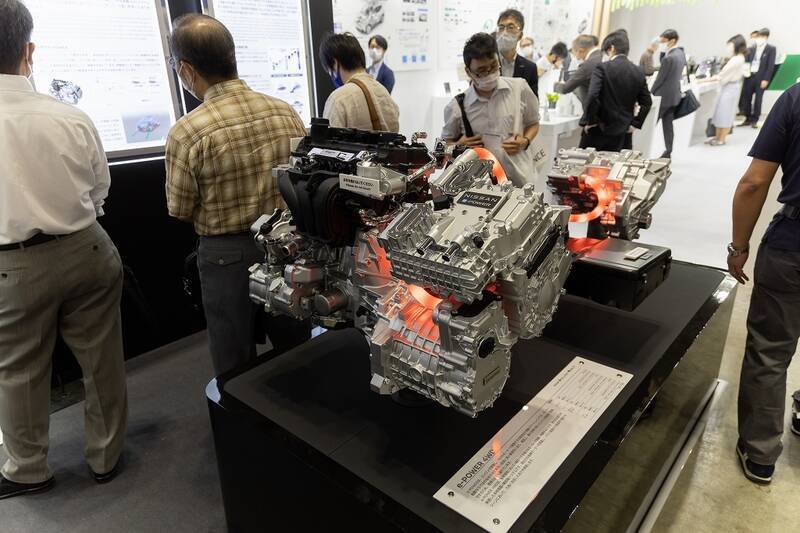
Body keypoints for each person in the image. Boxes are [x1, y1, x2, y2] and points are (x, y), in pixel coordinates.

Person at [0, 0, 127, 499]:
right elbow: (100, 190)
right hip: (87, 249)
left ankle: (27, 469)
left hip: (13, 266)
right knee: (102, 360)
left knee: (18, 371)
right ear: (29, 52)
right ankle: (106, 458)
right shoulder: (70, 115)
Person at [165, 14, 310, 376]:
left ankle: (238, 411)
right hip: (287, 244)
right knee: (297, 343)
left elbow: (179, 208)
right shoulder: (285, 111)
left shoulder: (187, 131)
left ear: (186, 69)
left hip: (224, 256)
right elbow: (303, 177)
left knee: (233, 355)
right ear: (231, 56)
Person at [727, 81, 800, 485]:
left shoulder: (795, 98)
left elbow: (754, 181)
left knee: (771, 350)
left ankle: (760, 455)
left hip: (792, 246)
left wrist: (738, 246)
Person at [441, 32, 540, 187]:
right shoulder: (457, 106)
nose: (489, 74)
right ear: (468, 72)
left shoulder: (519, 88)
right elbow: (445, 144)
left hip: (519, 179)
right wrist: (459, 145)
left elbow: (533, 122)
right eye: (481, 71)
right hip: (479, 185)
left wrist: (525, 141)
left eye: (493, 66)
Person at [579, 30, 652, 152]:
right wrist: (635, 124)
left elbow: (592, 96)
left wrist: (590, 120)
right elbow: (647, 103)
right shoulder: (638, 71)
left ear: (611, 48)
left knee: (588, 163)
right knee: (619, 163)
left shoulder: (602, 68)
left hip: (598, 130)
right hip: (623, 134)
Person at [320, 33, 399, 132]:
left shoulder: (338, 99)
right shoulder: (384, 93)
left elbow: (329, 139)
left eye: (329, 69)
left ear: (335, 63)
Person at [704, 34, 747, 146]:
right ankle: (717, 137)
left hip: (730, 88)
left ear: (736, 45)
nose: (728, 47)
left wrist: (706, 80)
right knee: (720, 113)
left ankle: (721, 139)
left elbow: (723, 75)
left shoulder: (737, 59)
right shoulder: (737, 58)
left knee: (725, 114)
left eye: (730, 45)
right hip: (729, 88)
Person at [651, 29, 686, 158]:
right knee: (668, 125)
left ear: (672, 40)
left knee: (650, 124)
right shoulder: (680, 54)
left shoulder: (669, 58)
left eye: (663, 41)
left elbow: (660, 79)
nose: (661, 44)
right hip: (673, 96)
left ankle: (641, 149)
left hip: (662, 97)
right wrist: (663, 51)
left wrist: (650, 92)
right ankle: (668, 151)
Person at [495, 9, 539, 97]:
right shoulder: (487, 63)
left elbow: (533, 102)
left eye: (510, 27)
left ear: (520, 35)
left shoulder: (529, 68)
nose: (504, 33)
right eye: (501, 27)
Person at [740, 28, 776, 128]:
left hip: (761, 78)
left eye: (761, 36)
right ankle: (747, 118)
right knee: (746, 98)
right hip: (749, 76)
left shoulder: (771, 49)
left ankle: (755, 119)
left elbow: (770, 66)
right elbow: (746, 61)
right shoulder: (751, 48)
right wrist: (745, 73)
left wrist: (766, 79)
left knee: (758, 99)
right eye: (758, 36)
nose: (758, 39)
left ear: (766, 37)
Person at [554, 34, 602, 109]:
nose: (577, 58)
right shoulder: (604, 56)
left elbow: (565, 88)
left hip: (595, 110)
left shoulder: (588, 64)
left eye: (574, 54)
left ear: (581, 50)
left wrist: (555, 85)